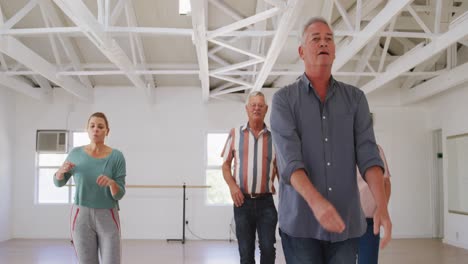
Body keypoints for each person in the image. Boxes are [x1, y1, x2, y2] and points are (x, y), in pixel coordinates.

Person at [270, 17, 392, 264]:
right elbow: (290, 161)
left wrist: (381, 205)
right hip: (300, 226)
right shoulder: (284, 100)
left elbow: (368, 155)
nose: (323, 43)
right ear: (302, 51)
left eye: (329, 39)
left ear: (335, 51)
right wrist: (317, 203)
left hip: (345, 226)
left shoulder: (355, 99)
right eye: (316, 39)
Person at [54, 112, 126, 264]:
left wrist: (112, 183)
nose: (96, 129)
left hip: (108, 216)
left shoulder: (117, 157)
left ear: (107, 131)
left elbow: (119, 194)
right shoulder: (75, 154)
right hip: (81, 216)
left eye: (100, 126)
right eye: (92, 126)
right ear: (87, 129)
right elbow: (58, 183)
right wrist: (60, 172)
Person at [221, 91, 278, 264]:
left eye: (260, 105)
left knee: (268, 249)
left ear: (266, 109)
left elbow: (282, 169)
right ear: (247, 108)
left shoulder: (276, 137)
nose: (256, 108)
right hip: (242, 203)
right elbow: (225, 166)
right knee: (246, 253)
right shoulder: (235, 133)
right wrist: (232, 186)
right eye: (253, 105)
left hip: (266, 203)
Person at [358, 144, 391, 264]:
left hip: (370, 222)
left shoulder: (375, 149)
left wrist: (381, 210)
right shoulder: (336, 150)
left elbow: (386, 183)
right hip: (343, 221)